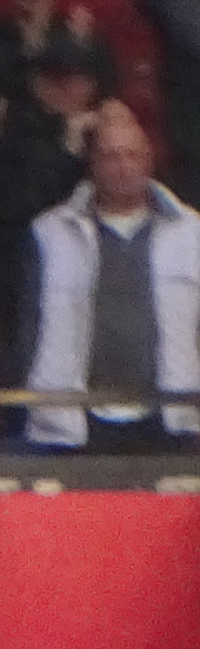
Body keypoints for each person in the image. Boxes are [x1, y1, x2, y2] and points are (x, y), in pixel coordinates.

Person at [21, 102, 199, 453]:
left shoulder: (192, 233)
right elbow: (28, 325)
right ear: (93, 164)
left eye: (132, 155)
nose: (123, 167)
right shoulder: (50, 233)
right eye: (111, 156)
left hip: (170, 420)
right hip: (75, 423)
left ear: (149, 160)